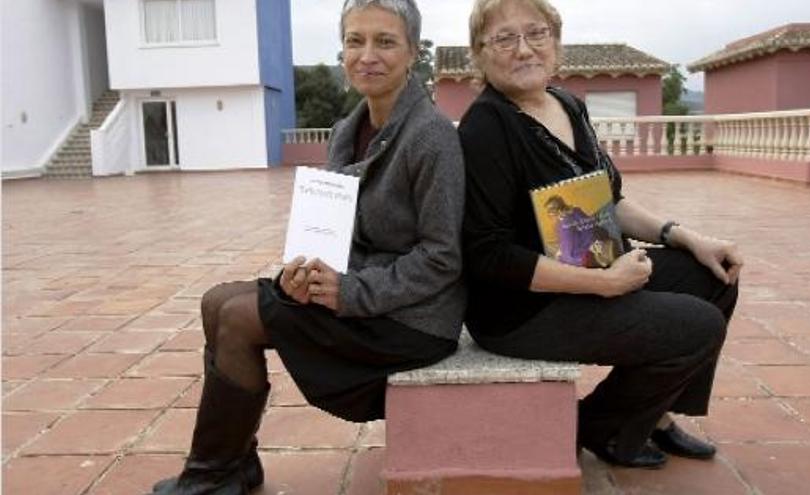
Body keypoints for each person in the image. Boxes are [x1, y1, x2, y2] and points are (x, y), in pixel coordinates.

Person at [148, 1, 466, 493]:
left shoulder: (432, 138)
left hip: (413, 319)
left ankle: (211, 476)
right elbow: (338, 229)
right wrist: (305, 273)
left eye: (385, 42)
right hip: (358, 290)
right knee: (216, 301)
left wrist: (347, 292)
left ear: (411, 54)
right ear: (341, 51)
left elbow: (442, 258)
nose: (367, 55)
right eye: (355, 41)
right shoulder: (346, 131)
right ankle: (235, 462)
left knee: (238, 318)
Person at [459, 0, 743, 469]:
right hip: (524, 308)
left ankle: (654, 416)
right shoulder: (486, 128)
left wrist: (684, 236)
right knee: (698, 327)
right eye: (505, 38)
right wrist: (604, 284)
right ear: (481, 54)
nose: (524, 49)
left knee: (715, 276)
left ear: (556, 41)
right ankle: (599, 426)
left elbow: (610, 199)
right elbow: (487, 255)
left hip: (591, 266)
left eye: (537, 33)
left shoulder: (568, 103)